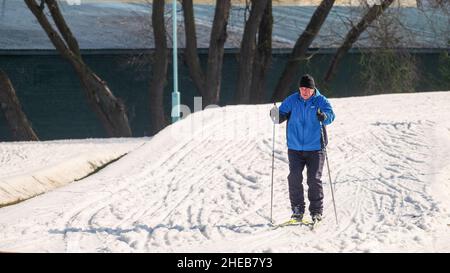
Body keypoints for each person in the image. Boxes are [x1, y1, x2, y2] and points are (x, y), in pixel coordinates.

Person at [270, 74, 335, 223]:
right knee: (294, 177)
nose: (304, 92)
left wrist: (324, 116)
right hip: (295, 148)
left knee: (313, 179)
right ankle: (297, 209)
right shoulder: (292, 100)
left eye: (307, 89)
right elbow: (280, 116)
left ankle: (316, 212)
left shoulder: (321, 100)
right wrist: (275, 115)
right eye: (302, 89)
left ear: (313, 89)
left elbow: (331, 116)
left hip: (316, 148)